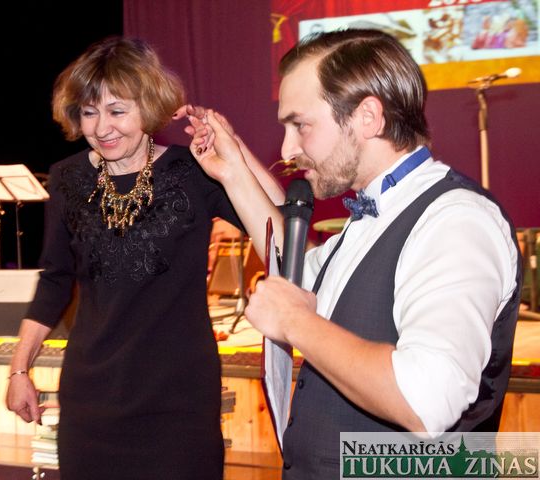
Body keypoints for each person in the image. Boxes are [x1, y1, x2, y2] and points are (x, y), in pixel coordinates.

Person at [184, 28, 522, 478]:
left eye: (301, 125)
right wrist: (233, 171)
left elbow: (426, 401)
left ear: (367, 117)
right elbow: (299, 274)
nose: (287, 150)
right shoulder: (376, 211)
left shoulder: (457, 220)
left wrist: (296, 322)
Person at [5, 36, 283, 480]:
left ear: (149, 106)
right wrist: (19, 368)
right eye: (89, 112)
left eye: (117, 111)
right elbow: (55, 279)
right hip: (91, 395)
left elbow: (279, 220)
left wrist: (233, 149)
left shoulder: (192, 171)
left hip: (178, 398)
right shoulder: (67, 178)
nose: (102, 127)